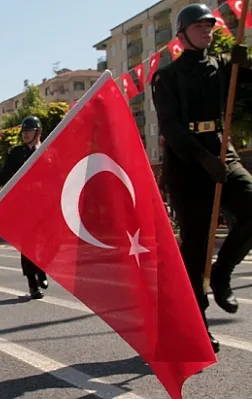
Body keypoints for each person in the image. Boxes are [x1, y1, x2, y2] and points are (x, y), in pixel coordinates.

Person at [151, 3, 252, 353]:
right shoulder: (167, 76)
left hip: (223, 149)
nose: (207, 31)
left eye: (209, 26)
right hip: (187, 160)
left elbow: (247, 92)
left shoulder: (224, 65)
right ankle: (198, 325)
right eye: (198, 26)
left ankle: (222, 272)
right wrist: (202, 158)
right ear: (182, 34)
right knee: (195, 246)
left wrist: (247, 63)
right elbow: (171, 127)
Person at [0, 116, 49, 299]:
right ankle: (33, 284)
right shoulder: (16, 154)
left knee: (44, 242)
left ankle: (41, 270)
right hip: (23, 205)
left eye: (29, 131)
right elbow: (1, 176)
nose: (25, 134)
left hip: (44, 205)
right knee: (28, 244)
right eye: (23, 131)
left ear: (38, 132)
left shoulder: (48, 151)